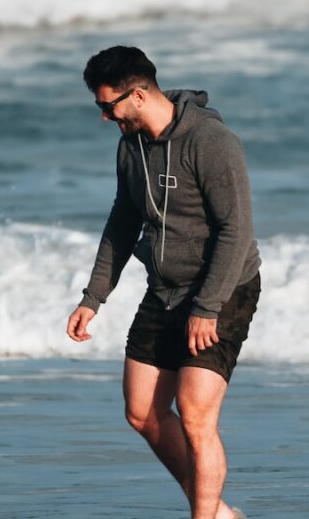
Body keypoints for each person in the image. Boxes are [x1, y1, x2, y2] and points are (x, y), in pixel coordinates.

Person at [66, 46, 260, 519]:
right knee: (141, 412)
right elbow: (123, 219)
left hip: (223, 287)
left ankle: (204, 515)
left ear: (137, 95)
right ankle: (216, 510)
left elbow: (236, 232)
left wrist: (208, 307)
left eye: (107, 107)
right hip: (165, 289)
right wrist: (94, 297)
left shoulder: (211, 142)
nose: (104, 117)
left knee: (195, 416)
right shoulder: (130, 144)